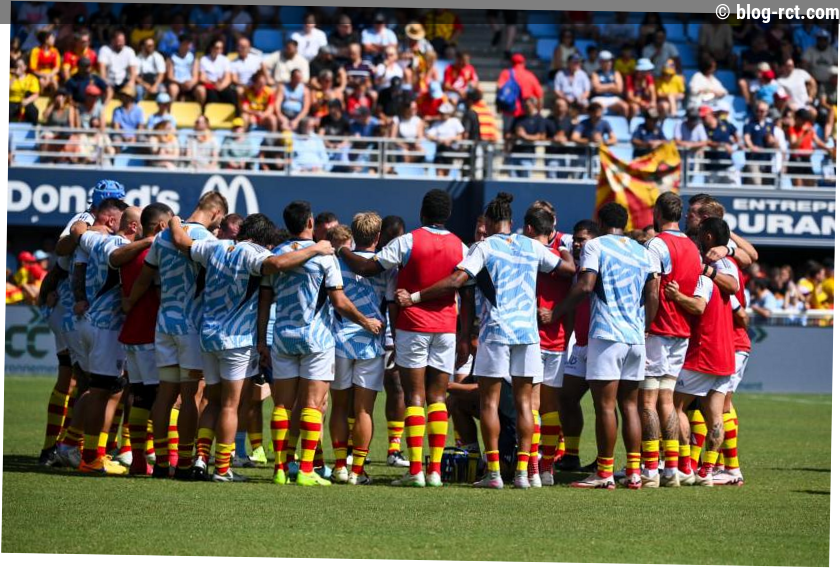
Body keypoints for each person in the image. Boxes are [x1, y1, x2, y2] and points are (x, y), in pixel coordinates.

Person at [168, 213, 335, 483]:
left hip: (208, 336)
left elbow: (180, 240)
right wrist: (316, 248)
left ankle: (200, 460)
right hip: (237, 339)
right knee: (230, 405)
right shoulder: (254, 253)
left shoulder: (215, 246)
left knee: (211, 400)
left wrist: (175, 219)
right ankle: (222, 469)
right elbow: (277, 263)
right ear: (265, 240)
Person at [337, 190, 469, 488]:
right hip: (446, 328)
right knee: (438, 398)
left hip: (413, 326)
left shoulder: (407, 241)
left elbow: (366, 268)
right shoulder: (461, 246)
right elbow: (467, 291)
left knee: (415, 398)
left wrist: (342, 250)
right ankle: (435, 471)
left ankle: (415, 471)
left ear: (422, 213)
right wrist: (463, 335)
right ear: (447, 215)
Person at [258, 201, 382, 487]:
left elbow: (264, 301)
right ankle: (305, 469)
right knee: (314, 405)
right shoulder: (325, 256)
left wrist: (261, 338)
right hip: (317, 338)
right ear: (310, 223)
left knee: (282, 405)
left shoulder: (274, 255)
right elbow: (339, 301)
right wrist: (365, 321)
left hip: (283, 337)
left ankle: (279, 468)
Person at [554, 203, 661, 490]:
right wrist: (646, 327)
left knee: (604, 406)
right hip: (635, 338)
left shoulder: (596, 246)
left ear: (600, 222)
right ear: (624, 224)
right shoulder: (643, 251)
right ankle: (635, 472)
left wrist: (557, 311)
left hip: (607, 335)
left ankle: (604, 473)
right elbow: (653, 294)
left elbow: (586, 285)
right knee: (630, 406)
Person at [123, 192, 229, 480]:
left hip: (164, 324)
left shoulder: (161, 237)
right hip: (190, 328)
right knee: (190, 395)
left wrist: (129, 303)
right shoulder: (205, 240)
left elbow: (145, 278)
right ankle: (182, 463)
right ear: (217, 213)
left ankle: (160, 463)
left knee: (165, 395)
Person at [68, 204, 140, 476]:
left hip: (89, 322)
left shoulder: (95, 239)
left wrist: (84, 225)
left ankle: (88, 451)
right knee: (101, 393)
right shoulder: (120, 245)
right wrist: (149, 242)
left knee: (103, 391)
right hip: (105, 327)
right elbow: (117, 258)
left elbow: (78, 231)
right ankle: (90, 457)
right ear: (133, 226)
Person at [669, 217, 741, 487]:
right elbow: (737, 298)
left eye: (699, 233)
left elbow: (698, 306)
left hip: (703, 353)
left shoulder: (706, 276)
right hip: (725, 355)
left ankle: (685, 466)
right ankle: (706, 472)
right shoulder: (728, 269)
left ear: (708, 237)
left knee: (673, 406)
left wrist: (677, 296)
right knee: (715, 417)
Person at [640, 194, 702, 489]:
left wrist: (646, 325)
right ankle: (671, 470)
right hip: (682, 332)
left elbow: (653, 289)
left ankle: (651, 470)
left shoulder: (657, 244)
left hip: (659, 331)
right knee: (667, 401)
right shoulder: (693, 247)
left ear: (657, 212)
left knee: (648, 401)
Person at [327, 215, 391, 485]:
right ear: (377, 237)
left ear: (353, 234)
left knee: (339, 408)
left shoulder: (336, 261)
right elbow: (391, 302)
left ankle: (340, 466)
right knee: (364, 410)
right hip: (371, 341)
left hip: (339, 340)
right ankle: (358, 471)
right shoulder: (385, 265)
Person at [114, 203, 173, 476]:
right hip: (150, 335)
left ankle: (138, 459)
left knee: (139, 397)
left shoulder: (128, 253)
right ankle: (166, 459)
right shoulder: (154, 254)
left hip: (131, 334)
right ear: (161, 226)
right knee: (163, 398)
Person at [525, 206, 574, 487]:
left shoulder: (528, 251)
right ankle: (546, 469)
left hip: (533, 337)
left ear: (530, 228)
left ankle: (534, 467)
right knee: (549, 406)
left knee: (532, 405)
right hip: (556, 338)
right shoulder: (562, 254)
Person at [556, 220, 599, 473]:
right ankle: (571, 455)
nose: (577, 243)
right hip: (580, 345)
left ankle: (605, 461)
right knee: (566, 397)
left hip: (601, 343)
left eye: (582, 239)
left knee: (603, 405)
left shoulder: (598, 264)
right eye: (575, 239)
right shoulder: (575, 269)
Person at [510, 97, 548, 178]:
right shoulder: (519, 118)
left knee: (525, 180)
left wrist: (525, 136)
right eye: (524, 105)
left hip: (528, 154)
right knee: (512, 181)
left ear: (534, 105)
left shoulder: (539, 119)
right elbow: (508, 134)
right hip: (515, 153)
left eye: (528, 105)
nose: (525, 107)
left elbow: (541, 136)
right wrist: (516, 135)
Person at [196, 38, 237, 107]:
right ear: (211, 48)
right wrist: (213, 84)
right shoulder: (204, 60)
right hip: (209, 85)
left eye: (221, 48)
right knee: (211, 94)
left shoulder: (225, 60)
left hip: (222, 84)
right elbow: (202, 78)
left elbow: (228, 78)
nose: (219, 50)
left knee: (230, 94)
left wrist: (221, 86)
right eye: (217, 48)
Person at [590, 51, 629, 118]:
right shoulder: (595, 73)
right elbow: (597, 89)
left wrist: (602, 87)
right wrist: (612, 85)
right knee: (597, 108)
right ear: (601, 62)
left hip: (614, 98)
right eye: (606, 61)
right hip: (599, 98)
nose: (609, 63)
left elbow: (619, 89)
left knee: (624, 107)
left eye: (610, 61)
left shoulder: (616, 73)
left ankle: (623, 124)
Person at [166, 35, 199, 101]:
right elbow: (170, 76)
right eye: (185, 43)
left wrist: (191, 83)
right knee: (173, 89)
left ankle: (202, 107)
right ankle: (171, 107)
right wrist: (181, 83)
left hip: (190, 84)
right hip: (176, 83)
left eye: (189, 43)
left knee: (201, 90)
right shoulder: (172, 58)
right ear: (180, 44)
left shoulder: (194, 58)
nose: (188, 45)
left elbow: (195, 76)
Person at [9, 57, 40, 124]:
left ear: (25, 67)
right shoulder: (10, 76)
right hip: (11, 101)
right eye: (16, 66)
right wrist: (14, 76)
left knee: (33, 111)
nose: (18, 68)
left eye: (20, 66)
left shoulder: (32, 78)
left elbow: (36, 94)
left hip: (26, 101)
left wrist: (26, 101)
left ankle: (34, 128)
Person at [29, 30, 60, 95]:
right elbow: (33, 69)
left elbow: (57, 67)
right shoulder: (35, 51)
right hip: (39, 75)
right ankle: (39, 97)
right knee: (41, 82)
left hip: (51, 74)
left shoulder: (55, 51)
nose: (54, 39)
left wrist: (49, 76)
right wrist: (44, 76)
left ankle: (54, 97)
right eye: (52, 38)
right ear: (46, 40)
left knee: (54, 82)